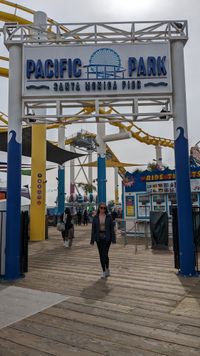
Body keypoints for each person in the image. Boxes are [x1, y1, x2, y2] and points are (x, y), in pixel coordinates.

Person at [90, 202, 116, 278]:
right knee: (101, 255)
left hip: (107, 238)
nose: (103, 209)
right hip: (98, 238)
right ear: (99, 208)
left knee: (104, 254)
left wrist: (113, 239)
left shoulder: (109, 217)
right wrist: (92, 240)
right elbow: (93, 229)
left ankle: (105, 270)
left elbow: (112, 229)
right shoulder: (95, 217)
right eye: (101, 208)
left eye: (104, 208)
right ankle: (105, 270)